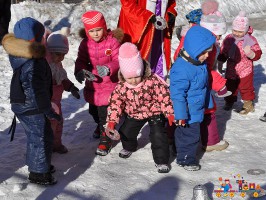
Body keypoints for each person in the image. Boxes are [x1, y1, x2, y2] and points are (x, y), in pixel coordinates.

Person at [2, 17, 59, 185]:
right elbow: (37, 90)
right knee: (40, 137)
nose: (45, 38)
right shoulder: (34, 62)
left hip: (23, 103)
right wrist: (47, 109)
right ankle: (38, 173)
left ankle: (37, 163)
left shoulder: (21, 54)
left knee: (38, 135)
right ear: (34, 40)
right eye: (43, 36)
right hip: (31, 106)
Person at [105, 42, 175, 173]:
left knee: (159, 135)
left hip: (155, 112)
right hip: (134, 113)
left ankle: (162, 161)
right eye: (129, 77)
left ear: (142, 70)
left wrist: (169, 112)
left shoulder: (152, 80)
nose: (134, 80)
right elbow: (115, 103)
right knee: (126, 131)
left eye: (137, 76)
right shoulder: (121, 86)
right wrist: (112, 121)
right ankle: (129, 147)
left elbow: (164, 96)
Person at [74, 10, 122, 156]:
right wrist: (80, 71)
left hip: (109, 83)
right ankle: (100, 126)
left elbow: (118, 60)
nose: (95, 34)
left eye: (99, 30)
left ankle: (105, 140)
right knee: (93, 112)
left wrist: (109, 69)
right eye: (92, 31)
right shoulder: (85, 44)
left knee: (104, 115)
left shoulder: (112, 41)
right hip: (93, 84)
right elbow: (81, 60)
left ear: (104, 26)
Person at [170, 25, 216, 171]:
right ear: (193, 49)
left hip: (197, 108)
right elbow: (177, 95)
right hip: (188, 112)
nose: (207, 56)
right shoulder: (182, 69)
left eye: (209, 52)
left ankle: (180, 150)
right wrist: (181, 115)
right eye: (204, 53)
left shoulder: (198, 62)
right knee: (190, 136)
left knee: (187, 135)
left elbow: (204, 86)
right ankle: (185, 159)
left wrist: (207, 102)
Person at [117, 0, 177, 80]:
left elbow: (171, 3)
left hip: (159, 31)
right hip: (141, 27)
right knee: (137, 66)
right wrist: (148, 16)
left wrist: (170, 12)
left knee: (159, 56)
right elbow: (127, 4)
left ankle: (158, 83)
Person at [199, 0, 230, 151]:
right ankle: (211, 142)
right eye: (217, 35)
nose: (219, 39)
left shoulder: (197, 38)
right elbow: (205, 69)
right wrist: (219, 84)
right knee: (208, 111)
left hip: (197, 82)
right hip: (202, 83)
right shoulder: (207, 46)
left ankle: (174, 137)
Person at [217, 11, 262, 114]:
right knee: (229, 87)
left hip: (245, 69)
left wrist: (251, 54)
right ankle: (229, 102)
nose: (237, 33)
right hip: (231, 69)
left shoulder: (250, 39)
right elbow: (224, 51)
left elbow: (258, 52)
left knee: (246, 88)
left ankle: (248, 105)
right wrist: (220, 61)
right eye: (234, 30)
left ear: (246, 30)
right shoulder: (229, 39)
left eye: (240, 31)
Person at [46, 27, 80, 154]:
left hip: (57, 102)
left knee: (58, 124)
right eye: (58, 54)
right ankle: (46, 150)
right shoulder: (45, 67)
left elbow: (62, 78)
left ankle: (56, 144)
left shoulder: (57, 65)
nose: (61, 58)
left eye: (63, 55)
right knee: (48, 128)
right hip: (46, 104)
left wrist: (71, 87)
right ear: (50, 52)